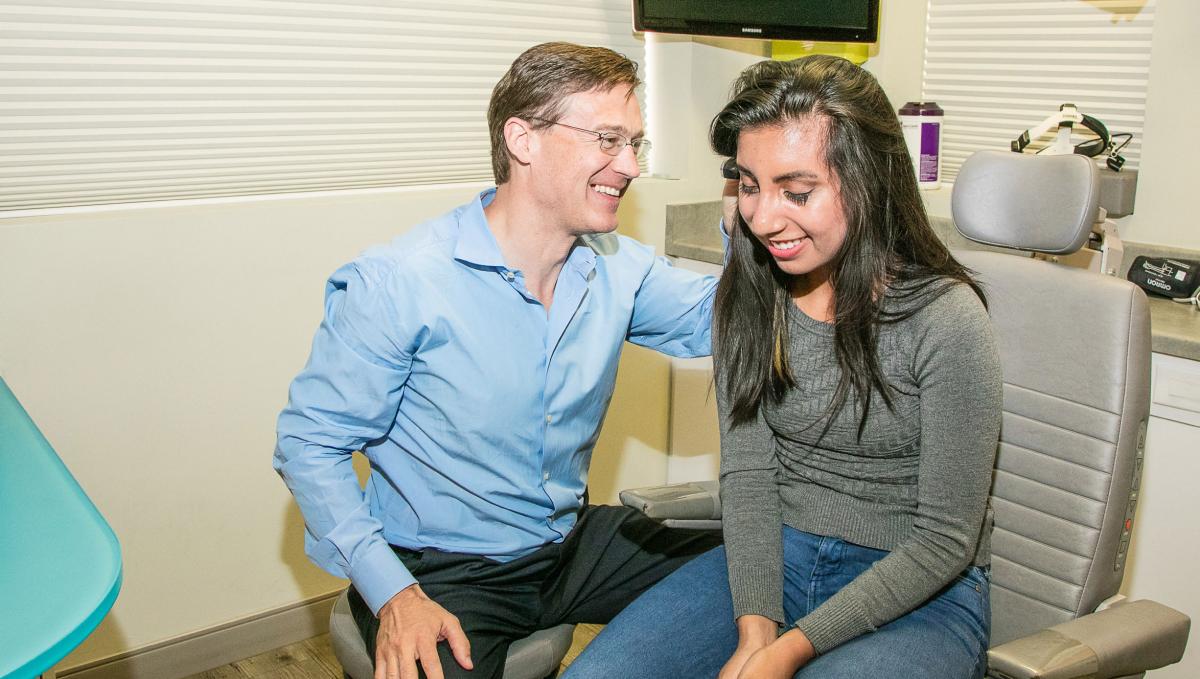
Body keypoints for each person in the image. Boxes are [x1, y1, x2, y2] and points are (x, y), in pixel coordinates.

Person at [273, 42, 721, 679]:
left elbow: (728, 319)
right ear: (523, 139)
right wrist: (395, 595)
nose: (629, 165)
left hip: (567, 546)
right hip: (440, 568)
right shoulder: (401, 283)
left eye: (636, 144)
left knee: (772, 563)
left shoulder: (617, 269)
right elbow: (308, 444)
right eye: (608, 139)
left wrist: (754, 217)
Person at [562, 55, 1002, 679]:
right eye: (749, 185)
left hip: (919, 591)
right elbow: (746, 477)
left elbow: (946, 540)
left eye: (796, 192)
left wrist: (789, 651)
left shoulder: (946, 320)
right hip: (775, 564)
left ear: (868, 181)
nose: (763, 218)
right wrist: (756, 631)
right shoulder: (751, 295)